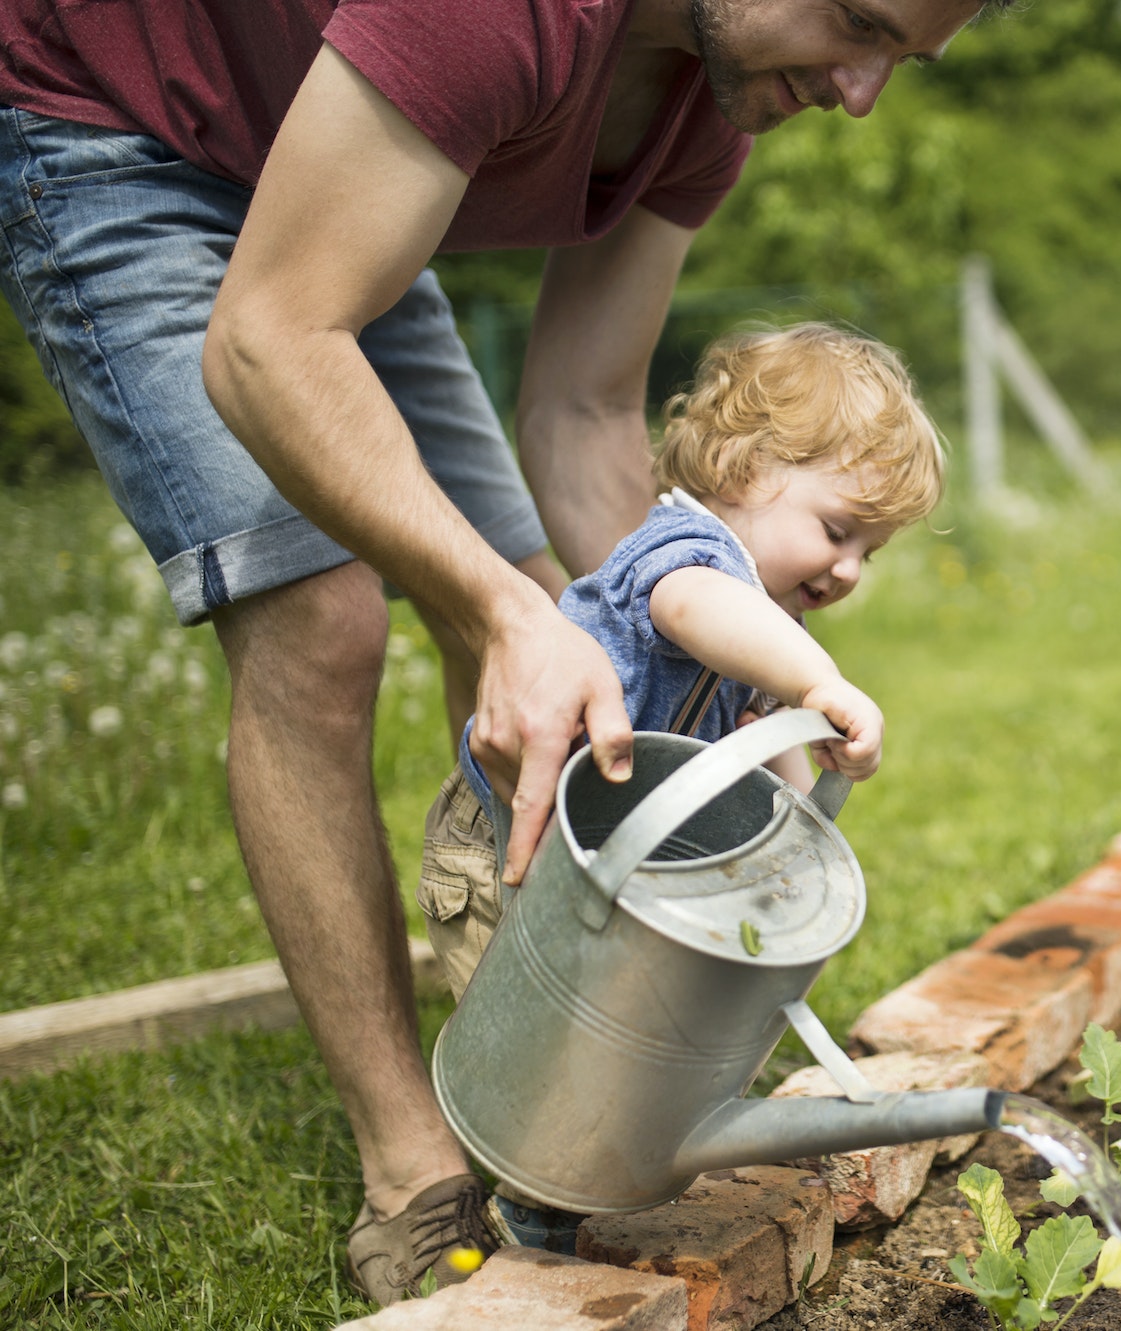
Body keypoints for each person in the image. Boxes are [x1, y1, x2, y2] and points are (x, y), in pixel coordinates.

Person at [0, 0, 991, 1305]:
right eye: (859, 21)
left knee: (551, 606)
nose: (862, 91)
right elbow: (268, 336)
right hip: (120, 128)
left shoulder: (716, 85)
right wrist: (503, 619)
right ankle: (412, 1162)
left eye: (903, 61)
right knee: (324, 617)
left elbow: (582, 416)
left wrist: (611, 626)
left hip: (331, 164)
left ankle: (543, 1027)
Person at [419, 320, 940, 1253]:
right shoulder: (685, 556)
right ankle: (526, 1211)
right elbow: (695, 609)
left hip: (604, 875)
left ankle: (575, 1186)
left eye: (873, 549)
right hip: (508, 853)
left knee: (620, 1030)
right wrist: (817, 678)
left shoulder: (759, 617)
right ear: (743, 470)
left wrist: (797, 803)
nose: (851, 567)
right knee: (538, 1050)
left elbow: (748, 742)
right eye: (837, 529)